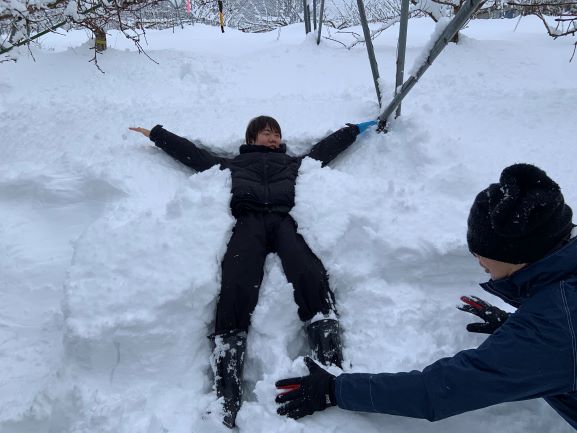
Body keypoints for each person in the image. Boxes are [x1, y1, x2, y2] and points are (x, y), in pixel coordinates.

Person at [275, 163, 577, 430]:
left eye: (482, 253)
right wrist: (518, 325)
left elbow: (441, 390)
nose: (476, 259)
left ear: (518, 254)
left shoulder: (554, 330)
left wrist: (335, 390)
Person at [129, 116, 375, 428]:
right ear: (251, 138)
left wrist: (355, 130)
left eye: (277, 134)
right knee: (236, 285)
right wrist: (157, 134)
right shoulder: (231, 165)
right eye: (267, 133)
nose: (273, 138)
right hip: (249, 224)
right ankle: (226, 395)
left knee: (310, 273)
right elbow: (191, 153)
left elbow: (326, 149)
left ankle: (331, 367)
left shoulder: (293, 163)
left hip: (285, 221)